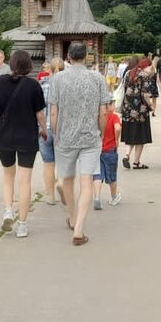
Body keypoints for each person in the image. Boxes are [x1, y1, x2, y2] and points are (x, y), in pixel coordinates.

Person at [49, 41, 111, 246]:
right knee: (86, 184)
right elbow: (104, 111)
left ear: (68, 57)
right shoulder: (97, 78)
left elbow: (54, 111)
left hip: (65, 136)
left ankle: (72, 216)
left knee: (67, 179)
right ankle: (78, 230)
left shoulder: (58, 78)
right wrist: (100, 133)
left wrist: (56, 134)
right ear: (86, 57)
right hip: (90, 137)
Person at [0, 50, 47, 237]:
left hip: (4, 136)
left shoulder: (1, 82)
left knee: (8, 175)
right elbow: (39, 114)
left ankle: (8, 210)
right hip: (27, 137)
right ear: (28, 65)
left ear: (11, 64)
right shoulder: (33, 85)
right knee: (25, 181)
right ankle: (22, 224)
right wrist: (44, 130)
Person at [120, 57, 157, 170]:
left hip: (127, 110)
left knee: (131, 134)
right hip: (140, 112)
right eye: (150, 67)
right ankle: (136, 162)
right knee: (140, 137)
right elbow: (145, 95)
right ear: (146, 66)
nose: (151, 69)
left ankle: (126, 155)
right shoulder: (145, 77)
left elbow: (125, 89)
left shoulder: (129, 73)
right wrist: (151, 106)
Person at [37, 57, 64, 206]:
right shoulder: (68, 86)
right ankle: (61, 182)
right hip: (62, 129)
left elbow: (38, 110)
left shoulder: (43, 86)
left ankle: (50, 196)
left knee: (48, 163)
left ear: (50, 69)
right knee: (63, 161)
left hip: (44, 128)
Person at [92, 106, 122, 210]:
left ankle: (97, 198)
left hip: (97, 149)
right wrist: (117, 139)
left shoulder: (96, 117)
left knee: (97, 175)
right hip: (110, 149)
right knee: (112, 174)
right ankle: (113, 197)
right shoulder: (114, 117)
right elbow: (117, 128)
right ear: (109, 106)